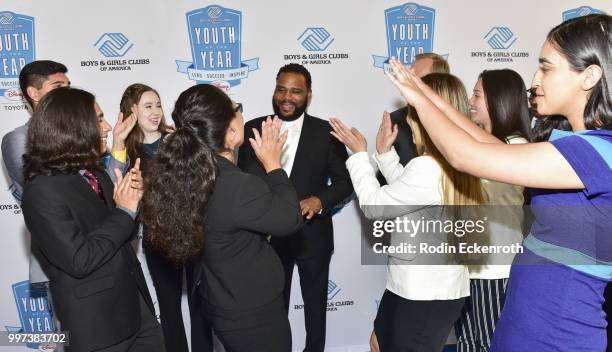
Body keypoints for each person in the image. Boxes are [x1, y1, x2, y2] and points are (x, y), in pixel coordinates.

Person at [386, 14, 612, 351]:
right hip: (528, 322)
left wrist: (419, 99)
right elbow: (487, 146)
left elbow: (466, 156)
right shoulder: (574, 145)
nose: (534, 80)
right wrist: (428, 95)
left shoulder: (599, 151)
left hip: (557, 334)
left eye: (546, 68)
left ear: (589, 75)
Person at [141, 84, 303, 352]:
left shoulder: (186, 175)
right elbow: (290, 219)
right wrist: (274, 165)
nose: (240, 113)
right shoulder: (236, 186)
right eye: (235, 108)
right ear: (230, 130)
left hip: (221, 303)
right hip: (252, 313)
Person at [330, 73, 484, 351]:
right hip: (416, 288)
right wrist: (385, 154)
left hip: (424, 294)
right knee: (379, 342)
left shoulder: (429, 166)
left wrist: (357, 156)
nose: (409, 117)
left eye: (413, 108)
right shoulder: (453, 161)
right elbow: (412, 195)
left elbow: (375, 206)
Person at [21, 87, 164, 351]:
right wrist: (125, 211)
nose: (107, 127)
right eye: (98, 119)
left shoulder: (94, 174)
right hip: (98, 327)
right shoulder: (41, 191)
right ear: (73, 128)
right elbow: (79, 259)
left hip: (137, 312)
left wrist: (132, 203)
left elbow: (124, 235)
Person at [238, 63, 353, 352]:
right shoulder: (251, 128)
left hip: (313, 236)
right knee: (273, 312)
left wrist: (319, 201)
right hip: (267, 239)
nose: (286, 97)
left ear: (308, 95)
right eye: (281, 89)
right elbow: (237, 182)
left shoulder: (325, 132)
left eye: (295, 91)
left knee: (315, 309)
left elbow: (344, 183)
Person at [120, 83, 212, 352]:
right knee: (169, 309)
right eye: (148, 106)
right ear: (132, 111)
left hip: (194, 231)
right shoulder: (127, 153)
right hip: (157, 238)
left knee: (201, 303)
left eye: (158, 105)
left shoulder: (179, 141)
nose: (156, 112)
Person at [453, 69, 532, 352]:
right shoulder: (482, 146)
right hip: (471, 266)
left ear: (497, 100)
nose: (469, 101)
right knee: (467, 343)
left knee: (489, 343)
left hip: (494, 269)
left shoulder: (515, 146)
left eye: (476, 94)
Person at [383, 53, 450, 174]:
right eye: (409, 74)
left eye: (415, 77)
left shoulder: (456, 121)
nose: (407, 81)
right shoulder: (394, 120)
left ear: (438, 81)